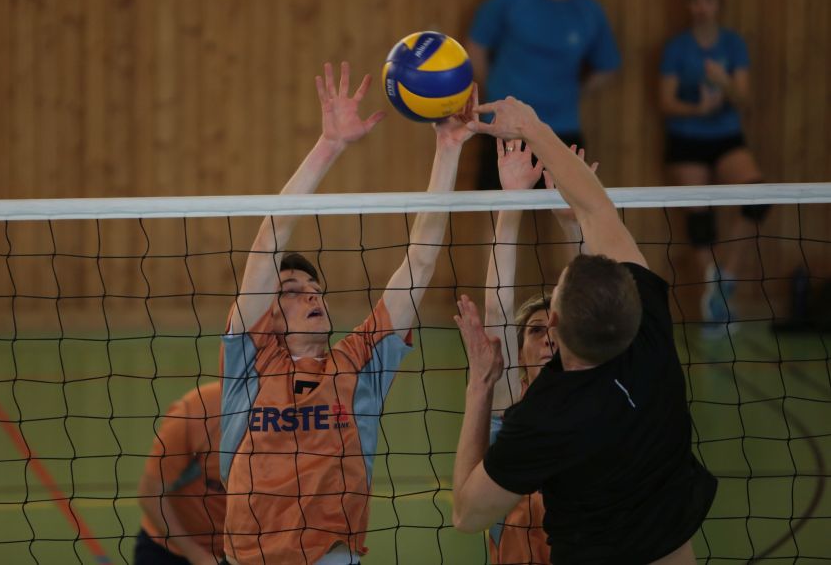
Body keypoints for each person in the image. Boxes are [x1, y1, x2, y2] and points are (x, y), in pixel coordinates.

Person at [219, 62, 475, 565]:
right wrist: (329, 145)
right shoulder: (251, 358)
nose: (312, 297)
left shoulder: (360, 361)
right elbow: (269, 240)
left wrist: (448, 149)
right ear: (268, 315)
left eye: (316, 290)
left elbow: (420, 262)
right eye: (293, 291)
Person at [451, 97, 718, 564]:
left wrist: (479, 386)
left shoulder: (541, 417)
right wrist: (535, 133)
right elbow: (598, 210)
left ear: (556, 329)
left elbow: (467, 514)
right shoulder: (649, 335)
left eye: (546, 319)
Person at [484, 139, 595, 565]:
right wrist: (512, 202)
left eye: (556, 329)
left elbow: (591, 299)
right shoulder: (508, 404)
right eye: (535, 330)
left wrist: (573, 222)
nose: (548, 337)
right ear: (518, 351)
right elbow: (497, 307)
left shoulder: (593, 395)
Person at [465, 0, 620, 190]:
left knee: (569, 206)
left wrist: (574, 91)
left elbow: (608, 66)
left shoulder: (589, 11)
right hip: (506, 127)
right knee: (495, 206)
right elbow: (476, 47)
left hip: (561, 128)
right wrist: (495, 92)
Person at [658, 0, 767, 326]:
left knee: (757, 198)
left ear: (719, 4)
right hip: (686, 139)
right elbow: (666, 102)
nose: (702, 7)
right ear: (688, 5)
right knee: (700, 219)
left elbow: (745, 100)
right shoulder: (677, 47)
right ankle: (712, 293)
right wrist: (698, 109)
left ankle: (726, 277)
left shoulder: (733, 44)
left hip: (726, 137)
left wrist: (724, 82)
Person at [137, 381, 227, 565]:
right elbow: (150, 494)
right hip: (170, 551)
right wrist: (199, 557)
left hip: (244, 552)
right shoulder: (195, 412)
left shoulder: (284, 413)